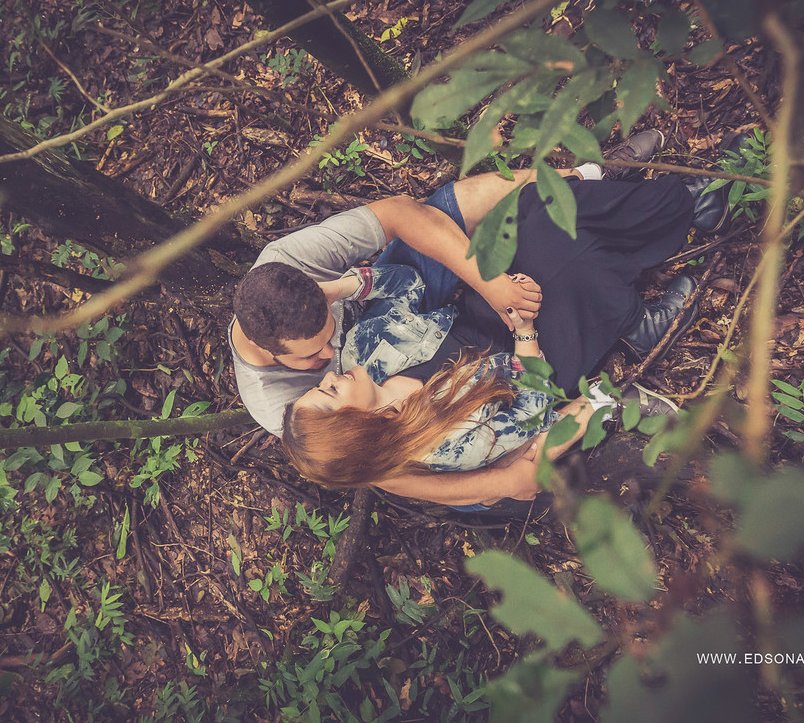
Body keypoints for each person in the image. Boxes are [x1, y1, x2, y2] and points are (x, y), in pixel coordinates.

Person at [230, 130, 712, 439]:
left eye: (325, 335)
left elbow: (399, 215)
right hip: (445, 384)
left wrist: (343, 288)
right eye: (315, 356)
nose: (329, 353)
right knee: (559, 280)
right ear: (267, 351)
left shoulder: (289, 268)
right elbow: (371, 463)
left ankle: (591, 178)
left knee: (458, 211)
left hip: (399, 312)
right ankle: (629, 325)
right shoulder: (284, 409)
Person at [281, 293, 615, 505]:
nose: (327, 375)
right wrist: (499, 483)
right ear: (354, 428)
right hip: (464, 459)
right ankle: (610, 401)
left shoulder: (366, 370)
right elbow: (528, 413)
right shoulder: (445, 444)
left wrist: (347, 284)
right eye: (328, 391)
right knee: (520, 456)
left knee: (503, 461)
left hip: (462, 433)